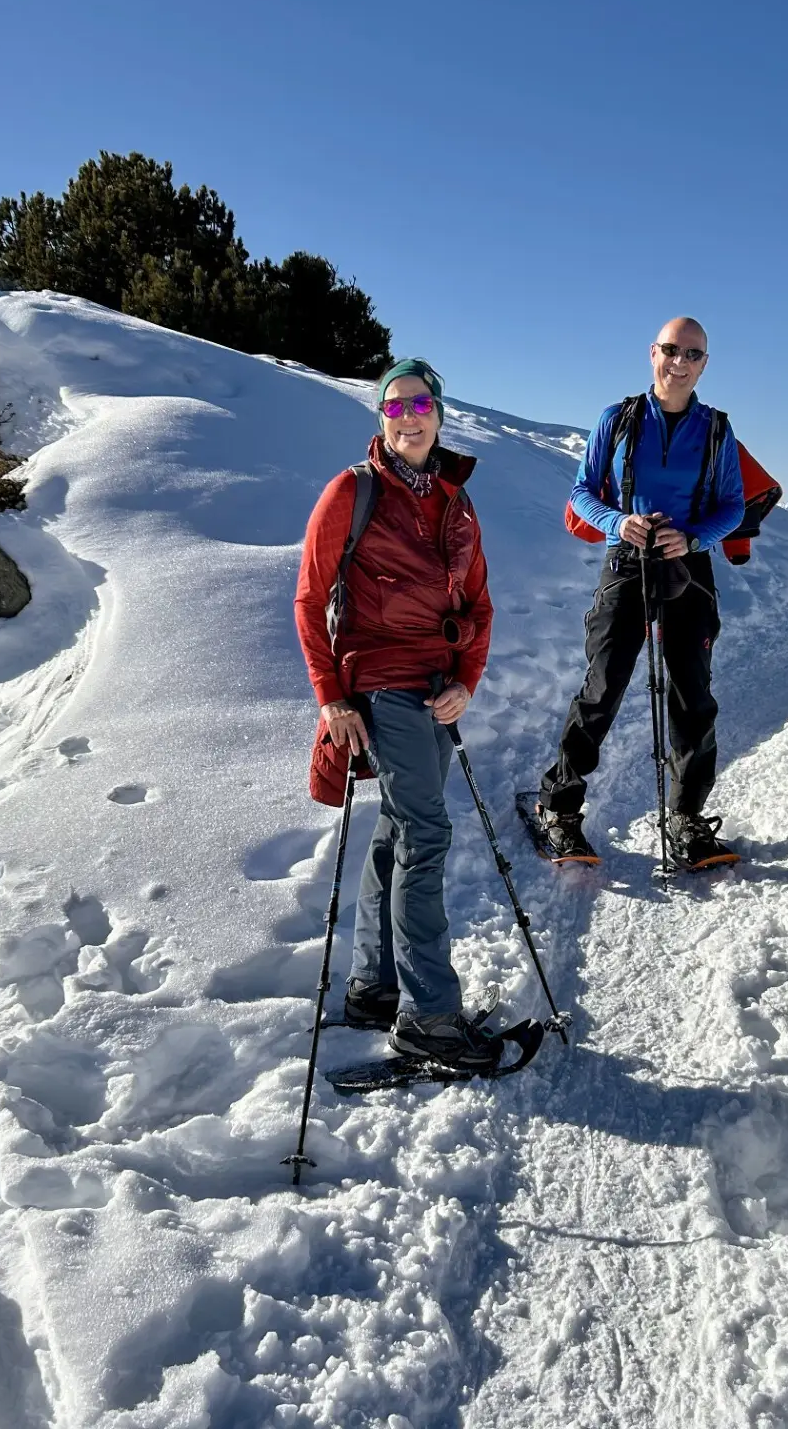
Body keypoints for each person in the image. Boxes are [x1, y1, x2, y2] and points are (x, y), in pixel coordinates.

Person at [294, 358, 500, 1070]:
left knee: (397, 828)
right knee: (425, 832)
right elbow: (309, 599)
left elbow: (479, 605)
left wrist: (466, 681)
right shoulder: (351, 492)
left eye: (420, 405)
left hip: (437, 687)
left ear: (439, 414)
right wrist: (331, 696)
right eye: (394, 406)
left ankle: (375, 987)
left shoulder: (456, 499)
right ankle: (429, 1018)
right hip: (383, 686)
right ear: (380, 417)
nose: (408, 417)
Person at [535, 317, 744, 871]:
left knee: (692, 695)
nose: (681, 362)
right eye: (672, 350)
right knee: (603, 686)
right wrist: (618, 521)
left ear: (705, 364)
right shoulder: (618, 419)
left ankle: (686, 818)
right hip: (627, 563)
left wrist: (692, 537)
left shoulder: (717, 430)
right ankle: (557, 807)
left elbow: (733, 506)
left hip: (688, 567)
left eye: (693, 354)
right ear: (653, 353)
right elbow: (582, 492)